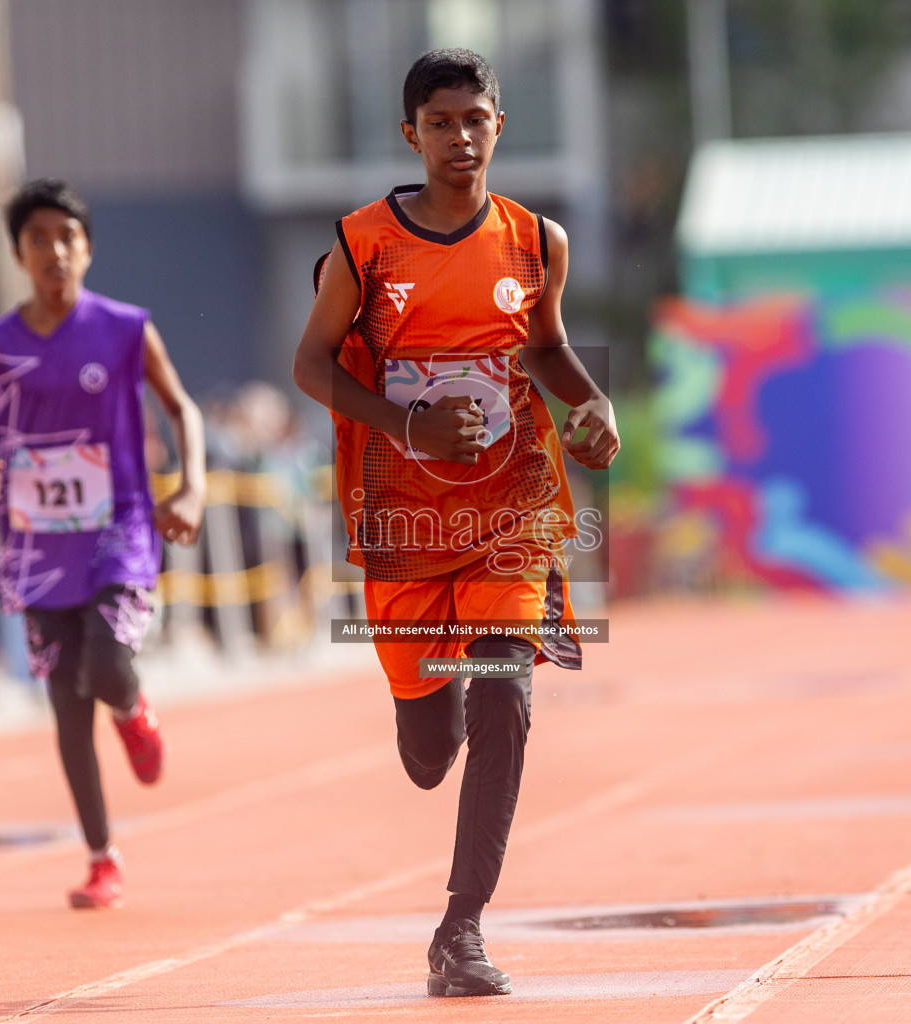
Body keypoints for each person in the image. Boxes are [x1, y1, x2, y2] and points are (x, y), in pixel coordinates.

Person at [293, 49, 620, 997]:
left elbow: (548, 346)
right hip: (403, 525)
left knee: (504, 696)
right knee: (431, 753)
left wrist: (592, 406)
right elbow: (312, 365)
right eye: (440, 122)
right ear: (412, 135)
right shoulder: (364, 245)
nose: (460, 137)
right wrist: (409, 422)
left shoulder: (537, 242)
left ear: (500, 126)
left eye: (476, 119)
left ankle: (461, 928)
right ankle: (423, 721)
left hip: (510, 514)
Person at [0, 178, 206, 909]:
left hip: (119, 529)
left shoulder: (125, 328)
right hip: (35, 548)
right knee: (66, 710)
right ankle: (102, 857)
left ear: (88, 249)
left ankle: (131, 708)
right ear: (18, 253)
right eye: (39, 240)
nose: (55, 252)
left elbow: (181, 407)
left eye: (68, 239)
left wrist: (190, 485)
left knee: (103, 667)